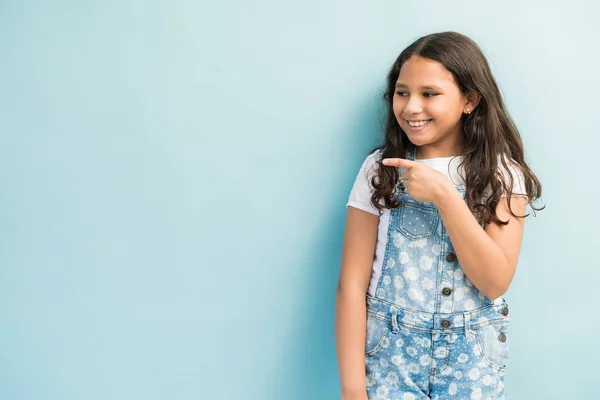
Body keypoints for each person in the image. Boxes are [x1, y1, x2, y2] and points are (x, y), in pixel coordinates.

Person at [334, 31, 543, 400]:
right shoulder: (379, 170)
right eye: (403, 92)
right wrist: (352, 389)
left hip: (472, 359)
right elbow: (352, 284)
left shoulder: (502, 175)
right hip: (390, 356)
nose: (412, 107)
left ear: (469, 100)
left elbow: (494, 282)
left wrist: (447, 197)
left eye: (429, 94)